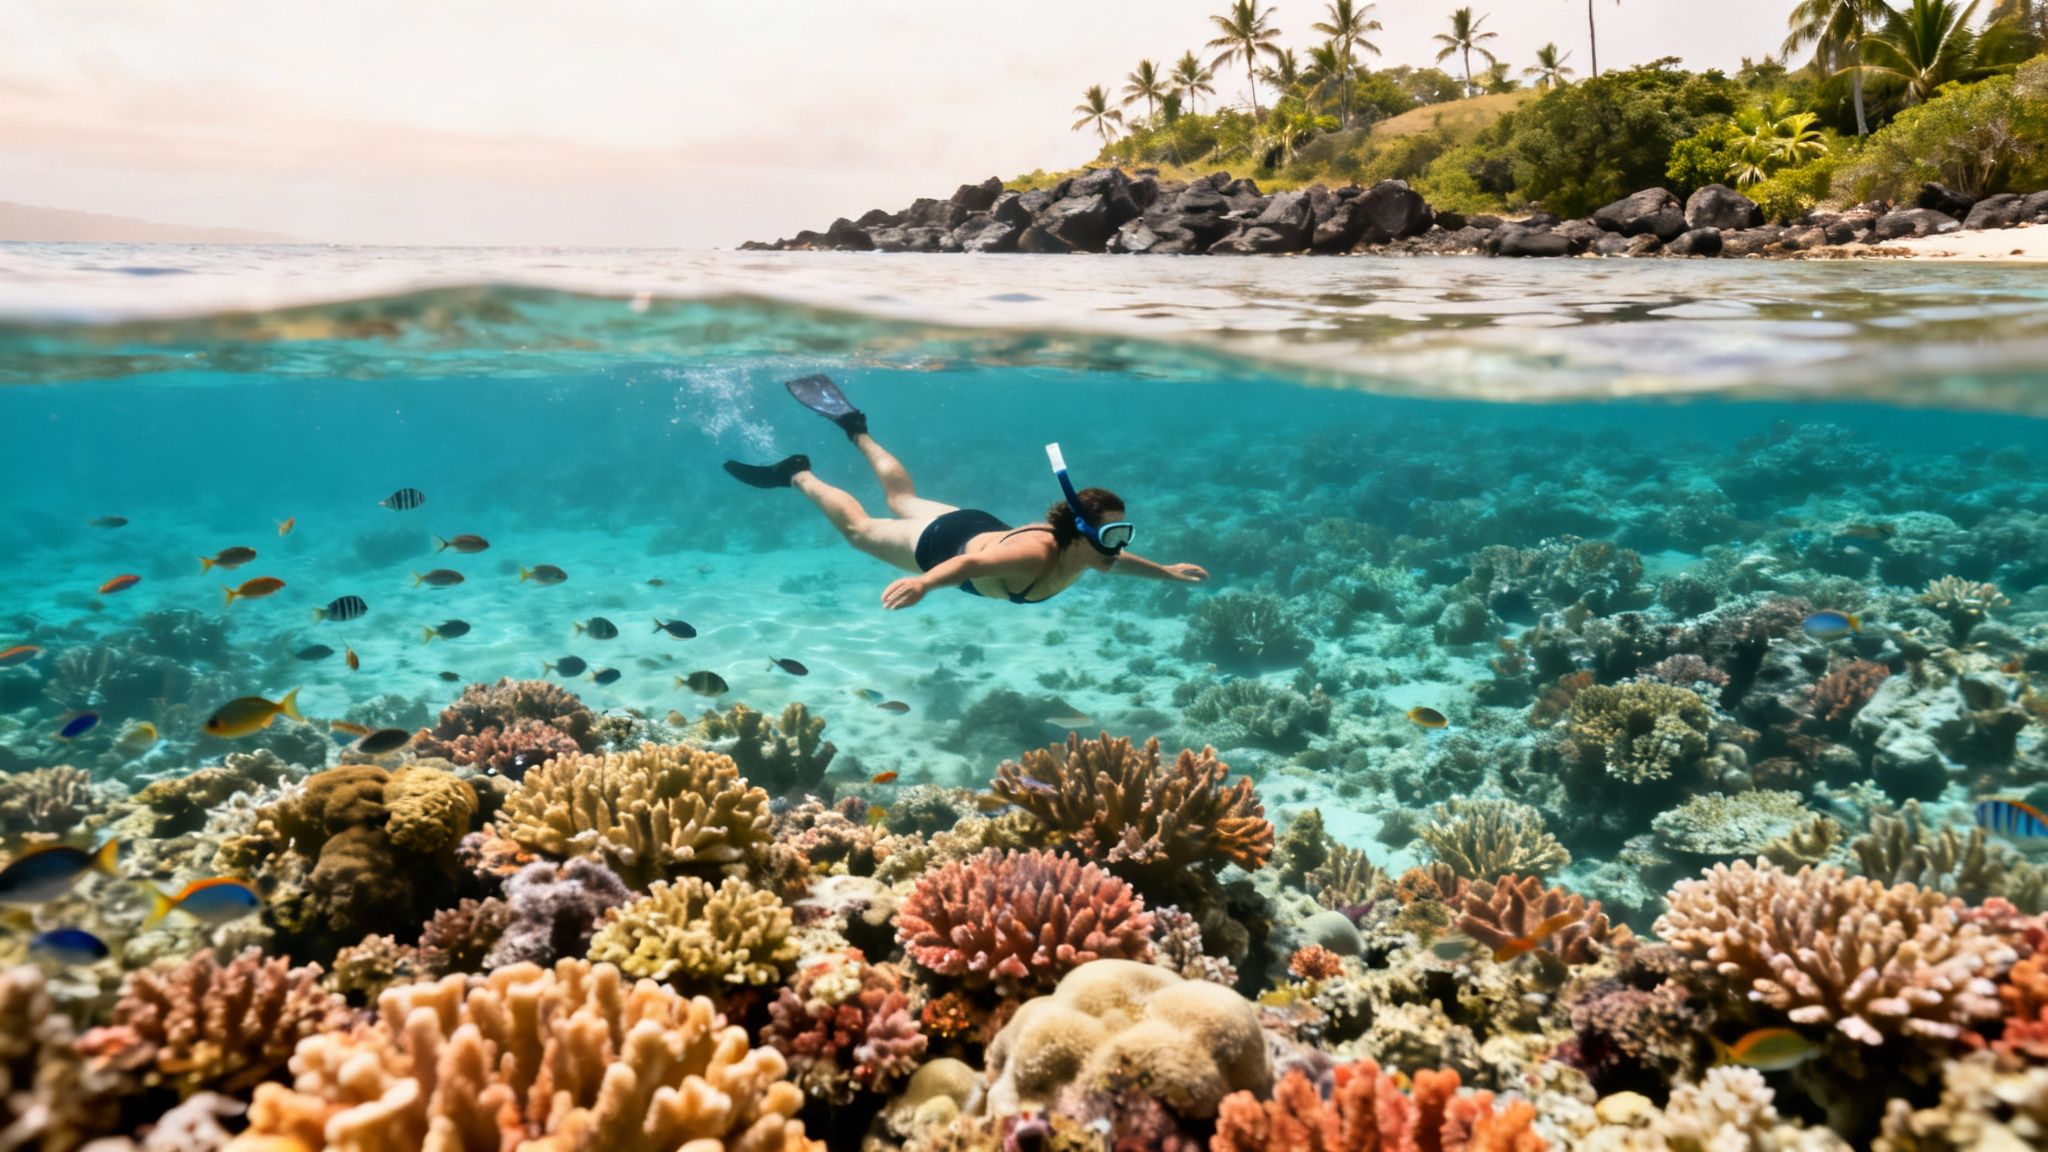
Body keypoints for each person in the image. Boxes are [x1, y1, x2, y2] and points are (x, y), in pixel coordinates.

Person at [723, 375, 1207, 609]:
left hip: (975, 524)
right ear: (1079, 534)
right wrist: (924, 583)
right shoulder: (1036, 557)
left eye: (1122, 533)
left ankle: (856, 428)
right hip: (944, 547)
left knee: (901, 499)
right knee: (860, 529)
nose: (1119, 546)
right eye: (1111, 535)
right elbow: (971, 566)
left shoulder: (1089, 552)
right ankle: (798, 474)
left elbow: (1116, 561)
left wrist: (1164, 571)